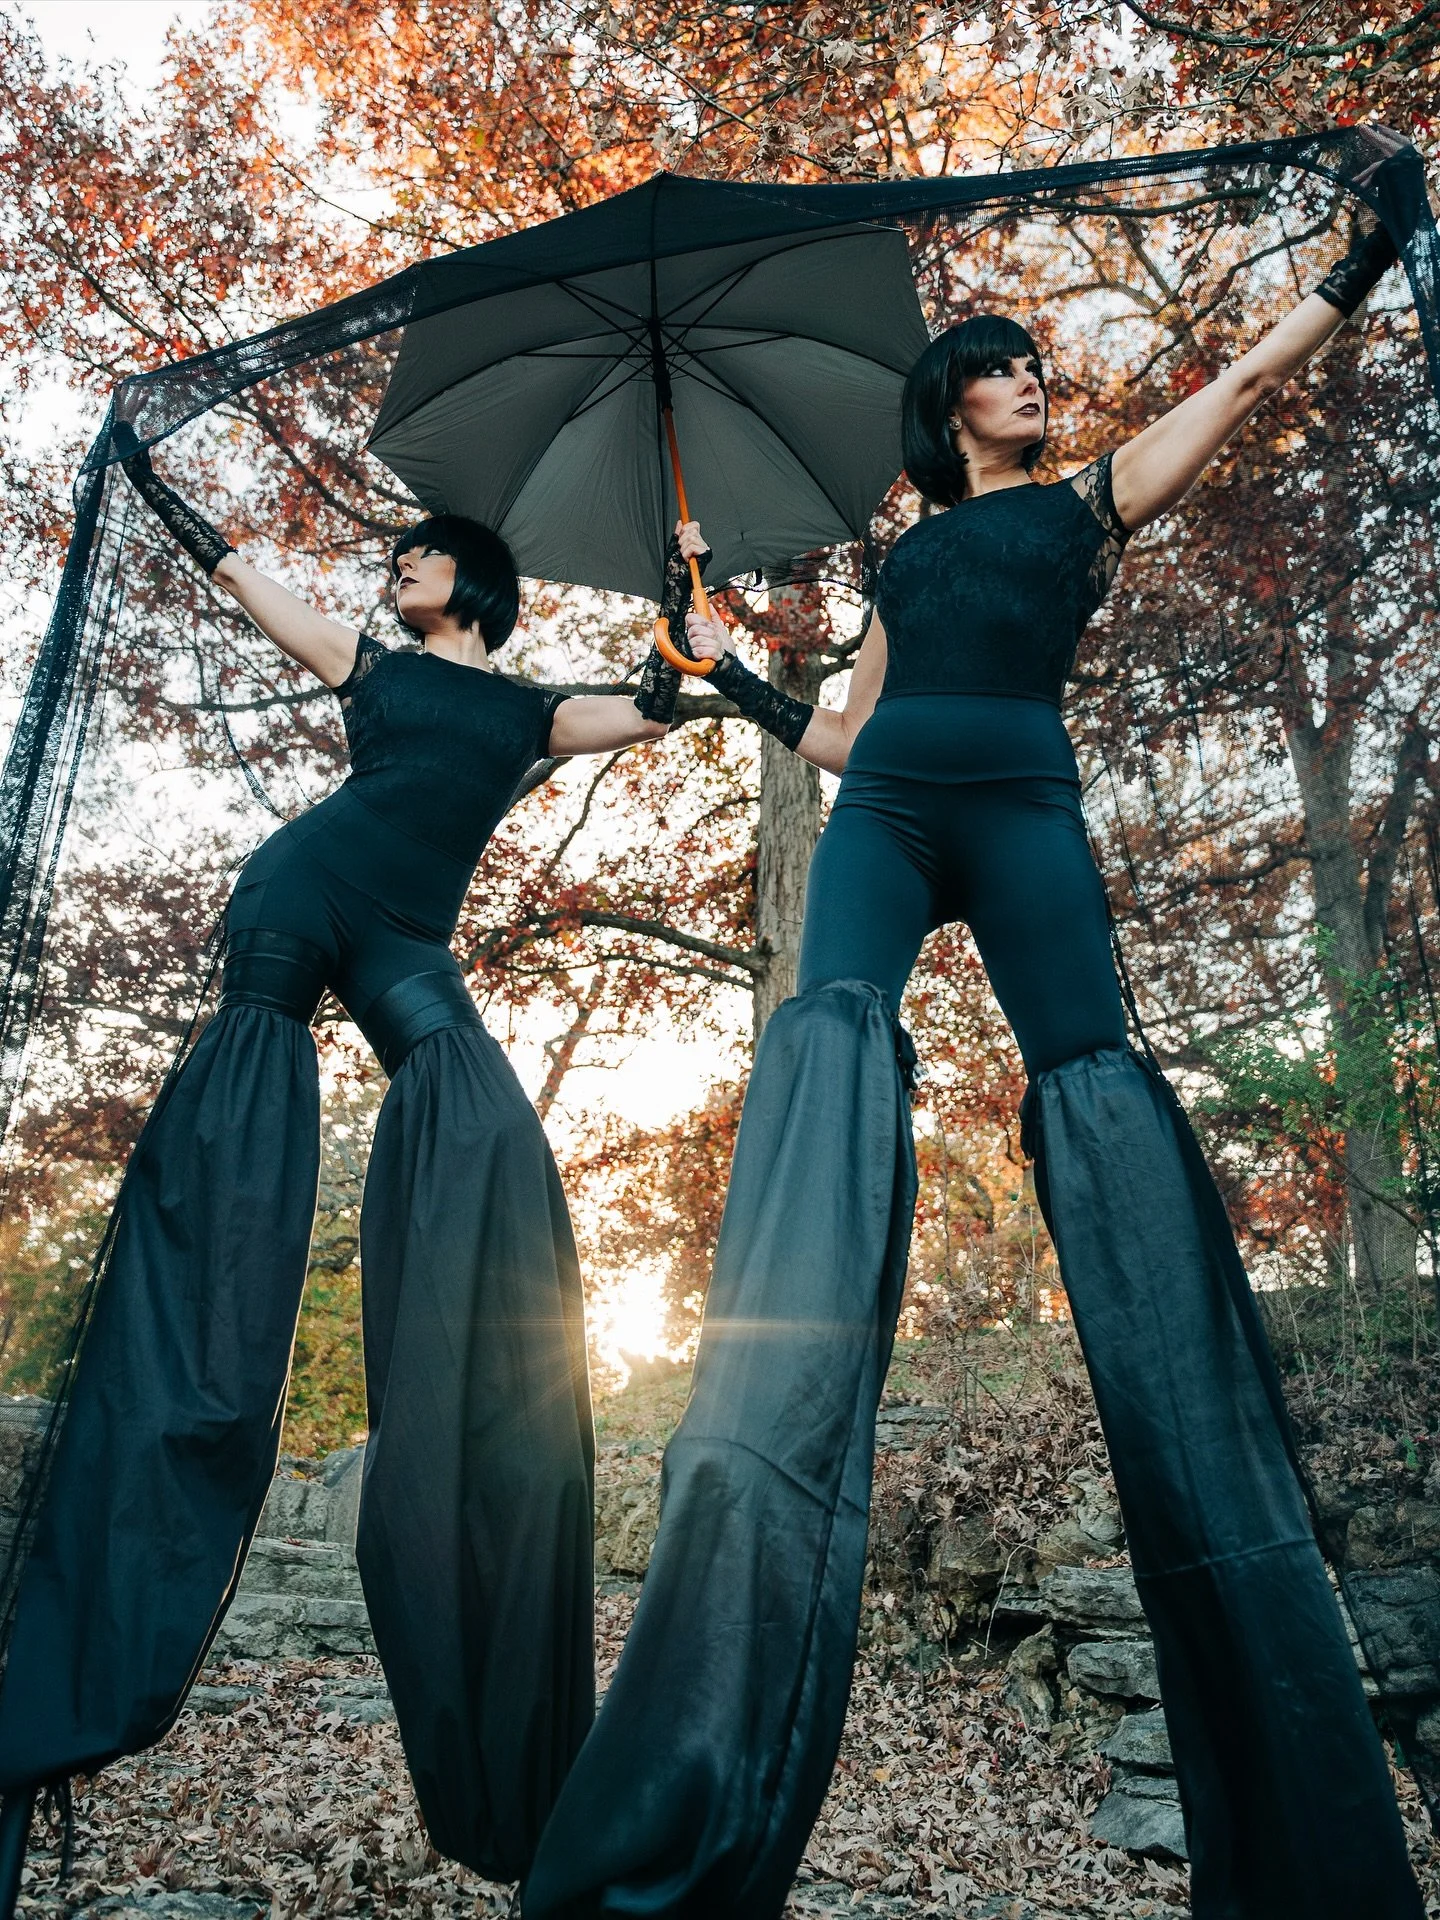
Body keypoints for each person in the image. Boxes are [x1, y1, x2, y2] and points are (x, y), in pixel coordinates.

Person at [521, 210, 1425, 1917]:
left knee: (1098, 1084)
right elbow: (854, 731)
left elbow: (1235, 377)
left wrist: (1353, 265)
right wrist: (736, 686)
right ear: (951, 408)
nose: (1031, 379)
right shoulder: (900, 559)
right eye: (1002, 368)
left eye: (1030, 366)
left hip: (1020, 812)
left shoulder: (1086, 500)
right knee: (828, 1052)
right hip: (886, 813)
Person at [0, 450, 696, 1906]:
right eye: (392, 565)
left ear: (473, 582)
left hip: (401, 943)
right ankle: (175, 1427)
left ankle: (476, 1434)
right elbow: (261, 592)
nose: (395, 572)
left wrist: (685, 640)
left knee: (488, 1116)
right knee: (232, 1187)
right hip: (301, 897)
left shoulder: (527, 712)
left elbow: (650, 708)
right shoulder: (374, 670)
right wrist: (165, 488)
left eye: (416, 559)